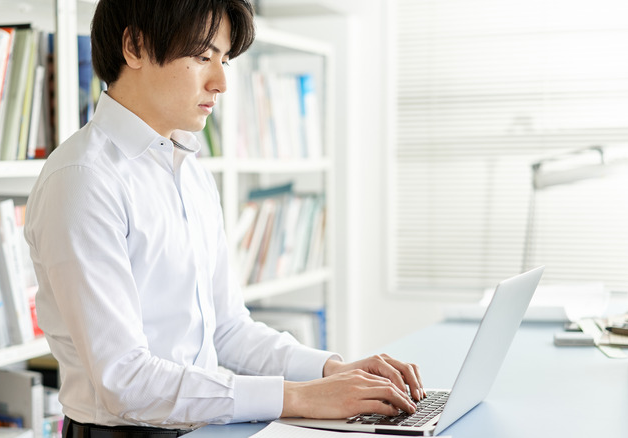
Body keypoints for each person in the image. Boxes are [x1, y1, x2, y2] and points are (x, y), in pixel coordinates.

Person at [24, 0, 425, 436]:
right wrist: (300, 397)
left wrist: (332, 369)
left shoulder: (189, 170)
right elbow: (125, 379)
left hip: (208, 427)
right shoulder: (83, 180)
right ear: (135, 46)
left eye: (225, 59)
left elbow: (228, 331)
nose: (220, 82)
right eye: (202, 57)